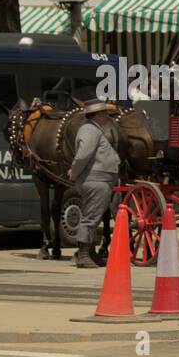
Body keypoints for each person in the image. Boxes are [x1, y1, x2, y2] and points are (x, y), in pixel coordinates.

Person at [67, 101, 121, 268]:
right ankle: (83, 255)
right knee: (91, 217)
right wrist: (74, 171)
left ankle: (90, 253)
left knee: (93, 217)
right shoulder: (89, 130)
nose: (107, 116)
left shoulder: (92, 129)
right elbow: (83, 155)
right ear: (97, 115)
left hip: (100, 179)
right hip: (96, 179)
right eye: (104, 113)